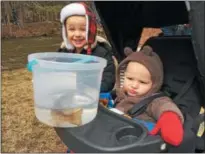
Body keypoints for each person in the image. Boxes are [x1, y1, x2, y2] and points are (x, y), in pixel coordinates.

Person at [114, 46, 184, 146]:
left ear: (154, 83)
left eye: (142, 82)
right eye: (130, 78)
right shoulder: (120, 94)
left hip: (137, 143)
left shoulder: (154, 100)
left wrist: (169, 119)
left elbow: (165, 106)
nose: (134, 85)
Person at [57, 2, 115, 93]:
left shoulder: (102, 53)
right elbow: (56, 74)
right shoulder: (63, 53)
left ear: (91, 29)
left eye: (83, 29)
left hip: (93, 97)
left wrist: (84, 88)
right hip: (68, 95)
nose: (77, 34)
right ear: (65, 32)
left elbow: (108, 82)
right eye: (72, 29)